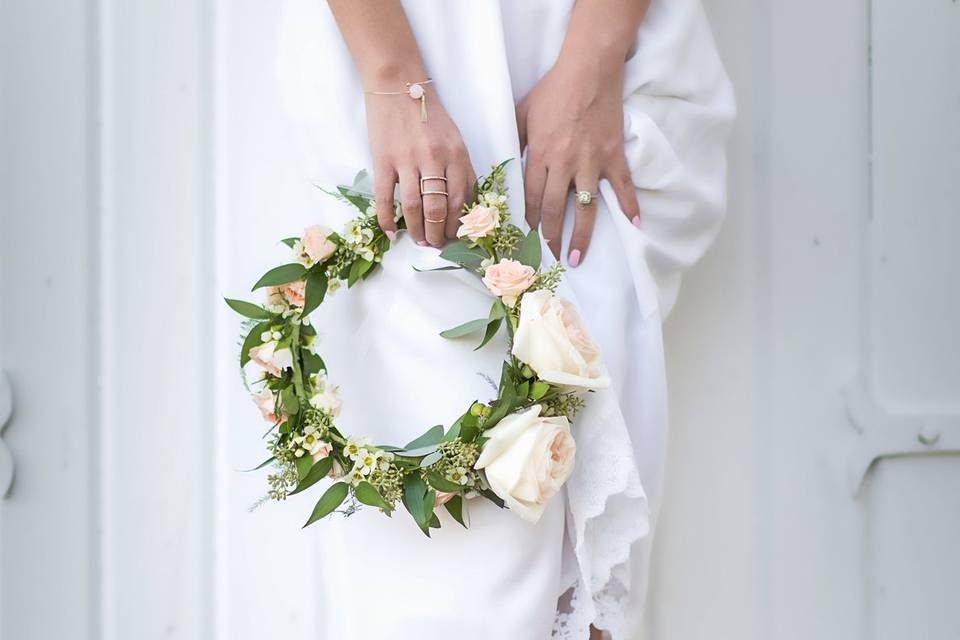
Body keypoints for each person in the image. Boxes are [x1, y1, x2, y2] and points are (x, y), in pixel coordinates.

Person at [275, 0, 734, 637]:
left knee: (590, 539)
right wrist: (396, 79)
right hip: (413, 46)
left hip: (594, 50)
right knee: (453, 580)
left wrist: (591, 62)